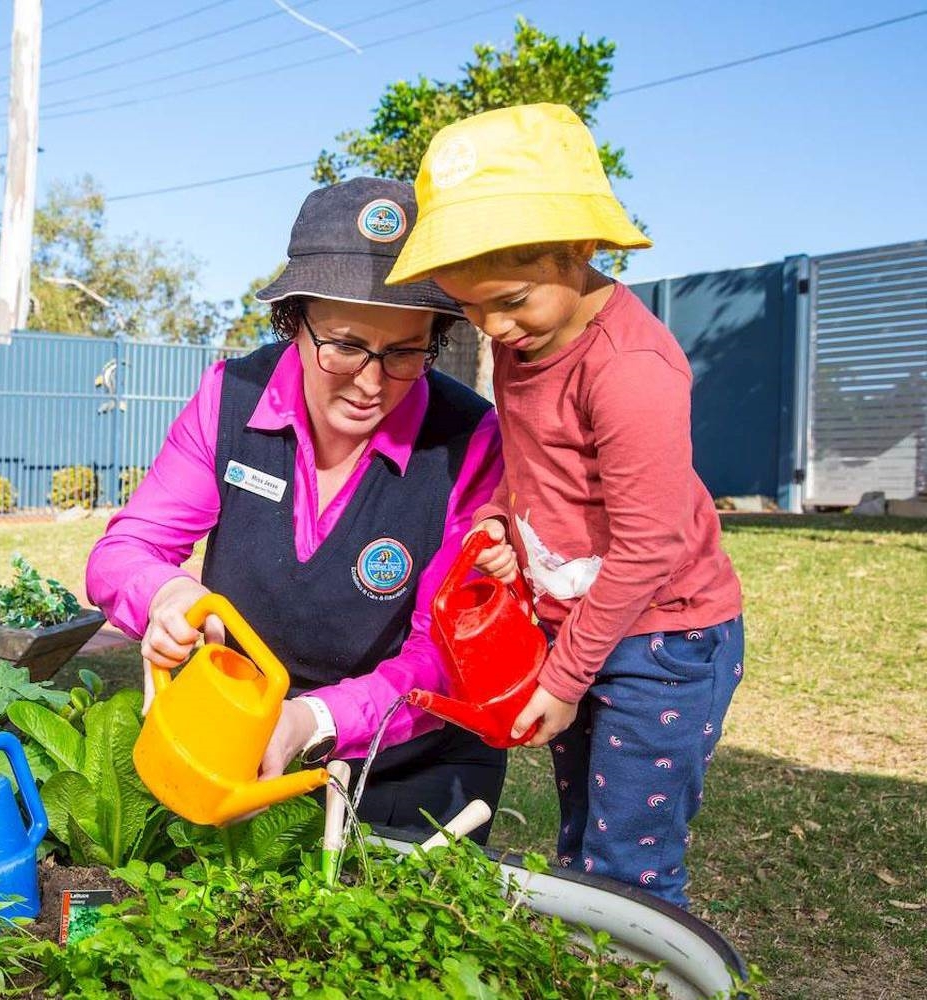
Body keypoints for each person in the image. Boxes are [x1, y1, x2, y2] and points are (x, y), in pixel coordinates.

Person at [386, 103, 745, 907]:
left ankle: (645, 973)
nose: (493, 327)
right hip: (582, 628)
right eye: (470, 309)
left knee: (631, 857)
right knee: (584, 835)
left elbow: (648, 546)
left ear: (579, 249)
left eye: (509, 300)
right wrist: (497, 520)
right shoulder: (524, 342)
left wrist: (565, 677)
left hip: (663, 637)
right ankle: (592, 959)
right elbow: (531, 461)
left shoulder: (630, 370)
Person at [86, 176, 508, 841]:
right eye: (345, 345)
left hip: (409, 773)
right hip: (241, 742)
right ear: (294, 319)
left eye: (404, 353)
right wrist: (165, 596)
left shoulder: (469, 443)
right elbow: (125, 551)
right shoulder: (231, 399)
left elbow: (445, 658)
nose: (371, 384)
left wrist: (307, 722)